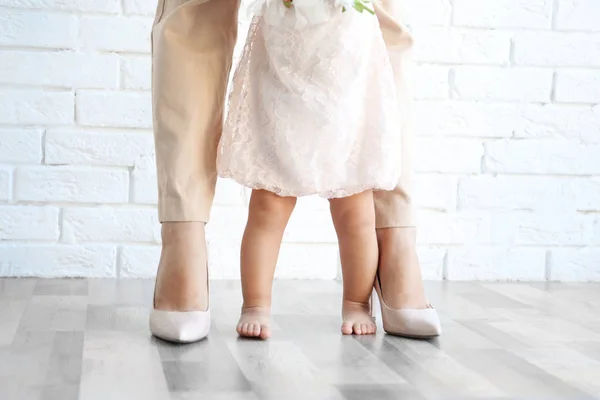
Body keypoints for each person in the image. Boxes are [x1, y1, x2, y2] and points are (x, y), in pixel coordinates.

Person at [149, 0, 441, 343]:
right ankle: (193, 244)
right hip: (281, 66)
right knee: (268, 207)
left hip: (348, 83)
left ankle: (385, 253)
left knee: (355, 210)